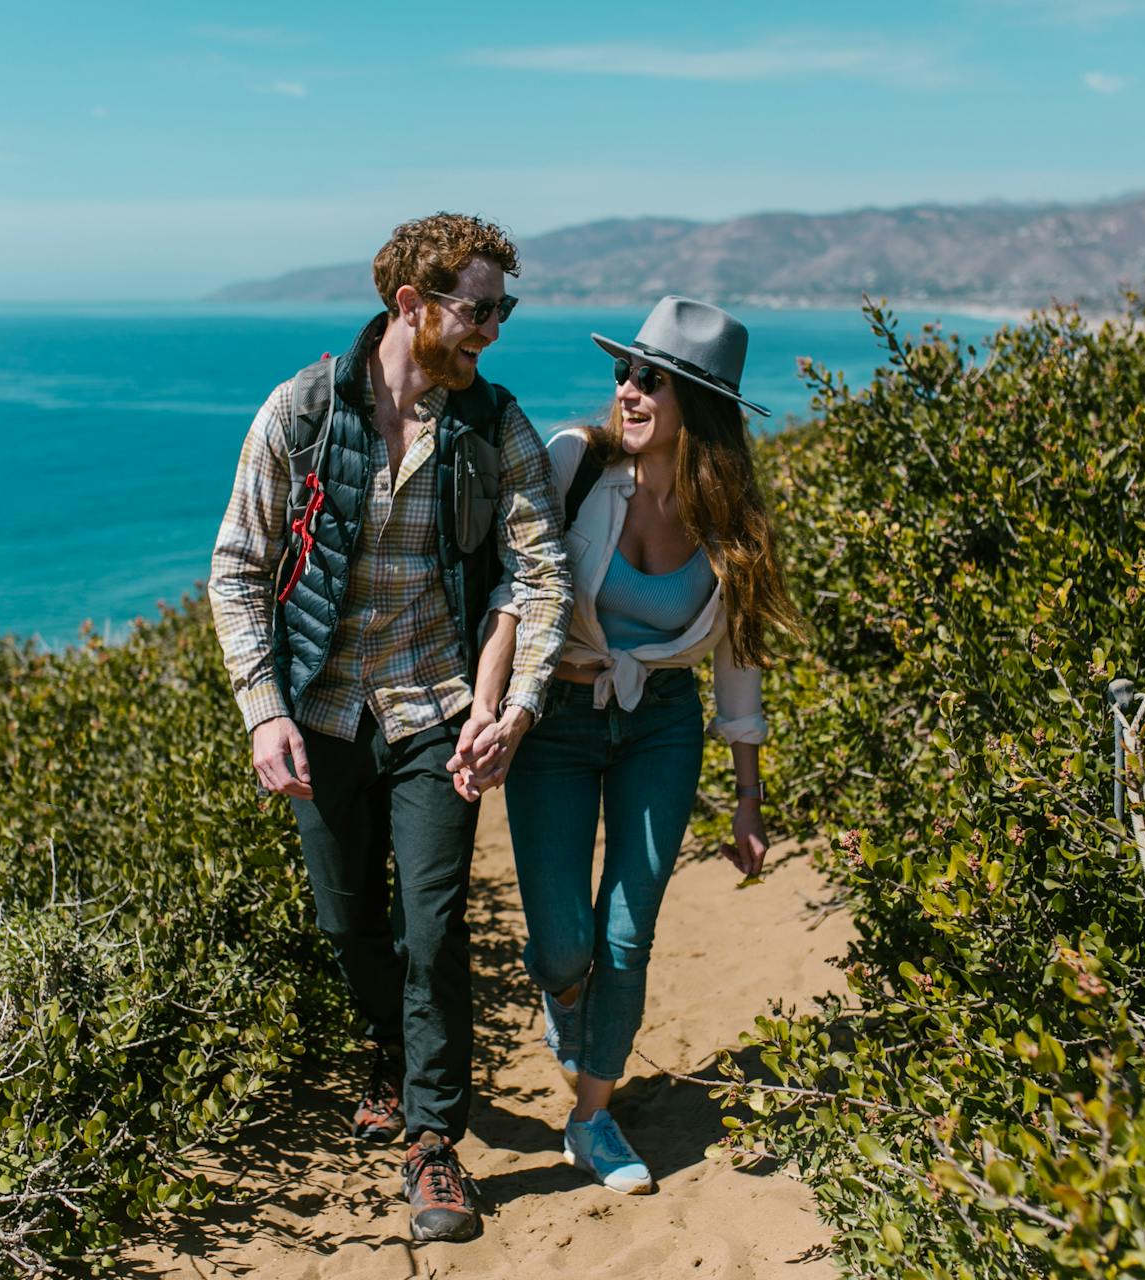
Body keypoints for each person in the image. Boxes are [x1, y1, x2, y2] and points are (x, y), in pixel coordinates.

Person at [207, 213, 571, 1242]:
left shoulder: (495, 424)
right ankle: (388, 1054)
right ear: (413, 304)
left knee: (435, 923)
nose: (493, 328)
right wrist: (262, 708)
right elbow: (237, 566)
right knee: (344, 919)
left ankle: (432, 1140)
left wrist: (515, 705)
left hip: (435, 709)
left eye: (505, 306)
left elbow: (543, 578)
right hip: (319, 709)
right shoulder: (303, 410)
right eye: (479, 307)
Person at [464, 296, 805, 1195]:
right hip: (560, 721)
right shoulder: (575, 463)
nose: (629, 390)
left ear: (701, 404)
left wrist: (747, 800)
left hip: (660, 721)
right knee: (564, 945)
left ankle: (593, 1118)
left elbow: (737, 663)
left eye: (652, 378)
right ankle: (566, 1002)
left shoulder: (730, 519)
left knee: (627, 931)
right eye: (625, 372)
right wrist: (491, 704)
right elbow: (518, 589)